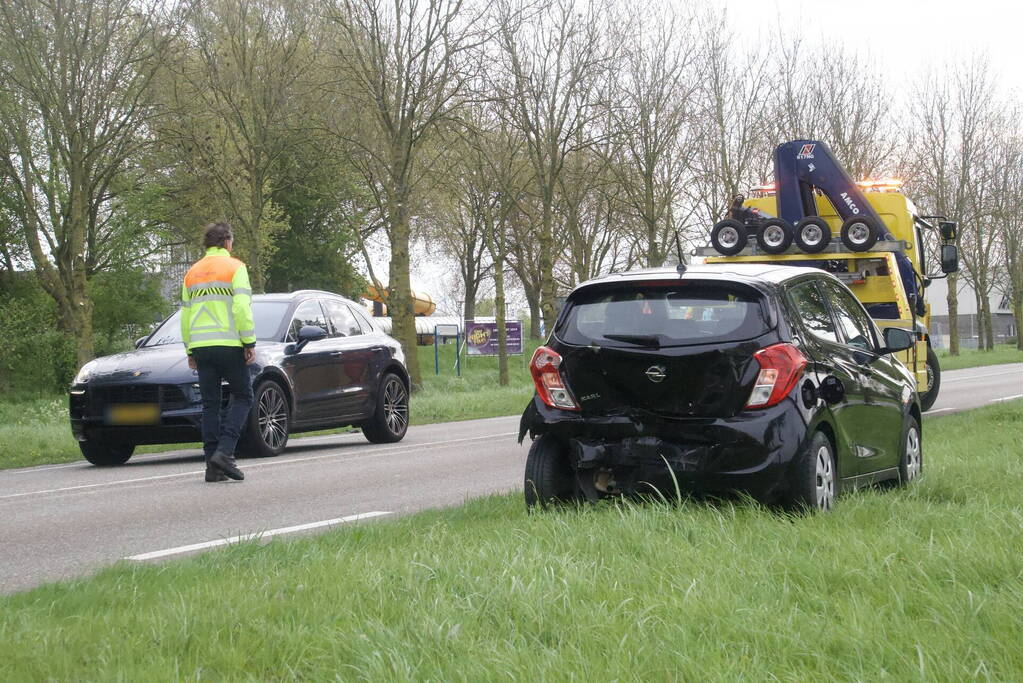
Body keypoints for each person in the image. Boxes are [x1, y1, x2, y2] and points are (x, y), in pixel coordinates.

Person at [181, 221, 256, 483]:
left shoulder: (192, 272)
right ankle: (225, 452)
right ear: (227, 242)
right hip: (229, 344)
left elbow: (185, 315)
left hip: (201, 347)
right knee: (244, 396)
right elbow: (241, 309)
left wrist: (189, 348)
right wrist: (249, 341)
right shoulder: (236, 267)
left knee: (210, 405)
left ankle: (211, 467)